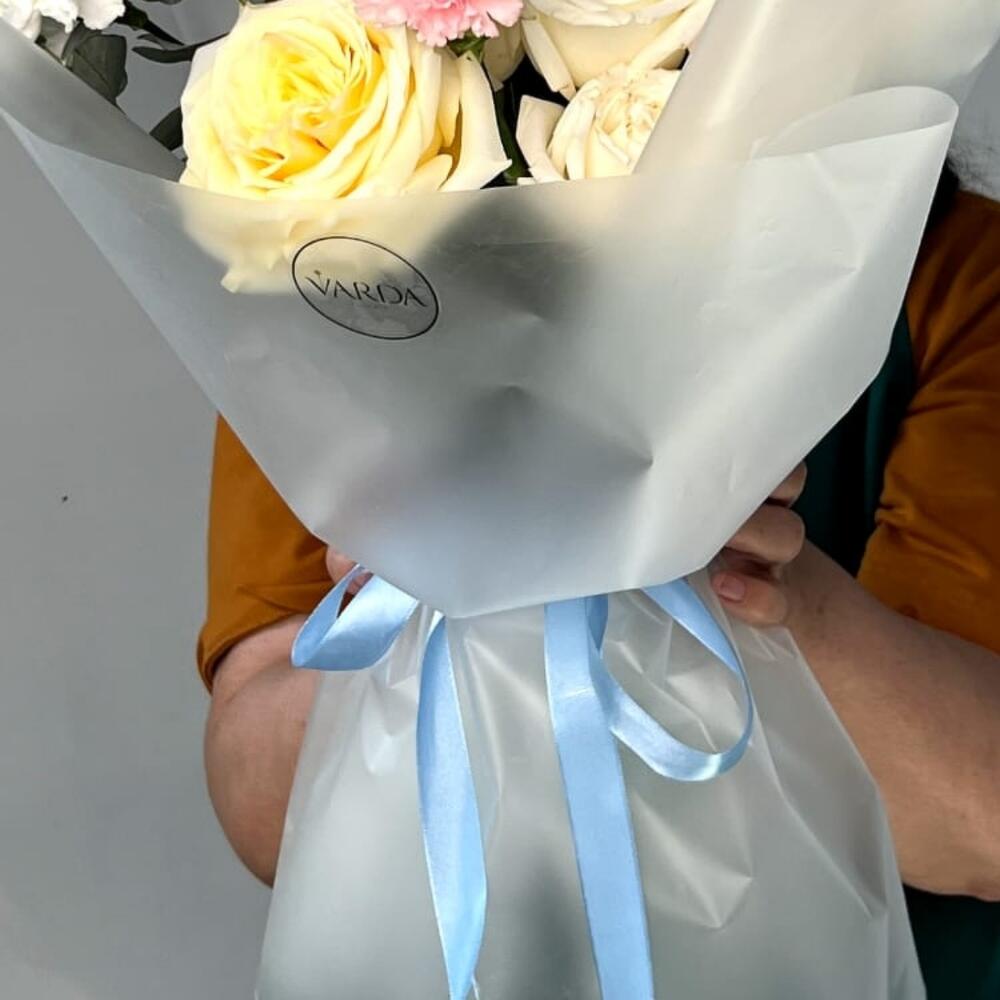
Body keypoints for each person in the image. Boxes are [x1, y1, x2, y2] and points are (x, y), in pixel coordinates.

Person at [197, 177, 1000, 998]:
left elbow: (980, 820)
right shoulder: (321, 284)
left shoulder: (952, 275)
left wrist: (717, 554)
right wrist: (429, 581)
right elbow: (261, 815)